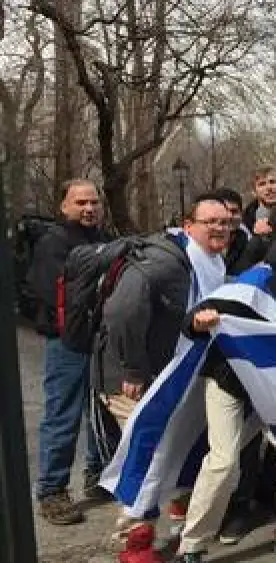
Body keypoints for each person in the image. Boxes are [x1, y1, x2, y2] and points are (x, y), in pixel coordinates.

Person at [173, 222, 276, 562]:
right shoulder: (259, 283)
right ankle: (191, 545)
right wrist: (199, 321)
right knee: (223, 462)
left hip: (274, 388)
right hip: (230, 381)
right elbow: (196, 316)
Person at [101, 194, 231, 536]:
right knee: (149, 452)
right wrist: (132, 368)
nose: (220, 228)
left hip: (177, 372)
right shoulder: (165, 262)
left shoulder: (215, 261)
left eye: (226, 222)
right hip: (137, 375)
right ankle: (134, 540)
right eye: (211, 222)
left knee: (175, 447)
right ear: (189, 226)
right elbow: (122, 312)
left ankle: (171, 521)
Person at [28, 178, 110, 525]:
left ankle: (97, 474)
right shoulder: (54, 242)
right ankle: (52, 491)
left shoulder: (103, 240)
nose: (89, 209)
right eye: (81, 203)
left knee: (101, 412)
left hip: (99, 339)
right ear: (64, 207)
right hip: (68, 342)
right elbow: (51, 292)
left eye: (93, 202)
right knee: (63, 417)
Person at [213, 188, 249, 275]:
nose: (229, 216)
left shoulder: (249, 247)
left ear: (241, 214)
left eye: (234, 211)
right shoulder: (201, 245)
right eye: (224, 210)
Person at [240, 167, 276, 234]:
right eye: (262, 184)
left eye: (272, 182)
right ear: (254, 192)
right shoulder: (245, 220)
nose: (269, 187)